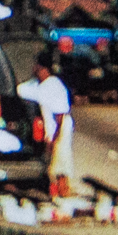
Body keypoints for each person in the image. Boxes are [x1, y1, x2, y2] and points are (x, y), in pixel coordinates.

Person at [19, 51, 75, 197]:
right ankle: (53, 191)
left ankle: (63, 192)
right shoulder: (37, 85)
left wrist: (53, 139)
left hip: (60, 130)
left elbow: (60, 116)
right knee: (50, 166)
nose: (34, 70)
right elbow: (22, 91)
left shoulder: (55, 86)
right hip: (49, 131)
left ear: (43, 68)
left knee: (60, 164)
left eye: (36, 67)